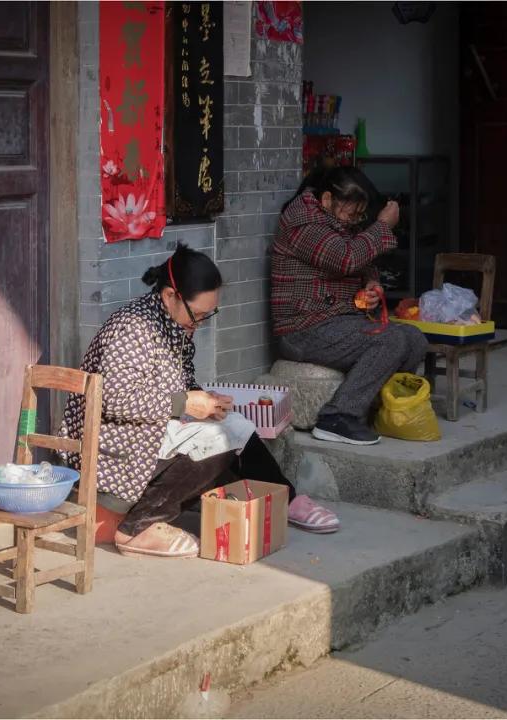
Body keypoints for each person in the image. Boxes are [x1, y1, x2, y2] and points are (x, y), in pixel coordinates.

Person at [61, 244, 340, 559]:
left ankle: (285, 498)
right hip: (112, 436)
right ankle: (139, 526)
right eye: (199, 314)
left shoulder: (174, 324)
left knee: (234, 424)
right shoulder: (131, 328)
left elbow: (181, 383)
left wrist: (204, 399)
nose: (202, 321)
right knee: (217, 438)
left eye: (210, 314)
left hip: (150, 424)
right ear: (170, 296)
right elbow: (114, 401)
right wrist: (185, 404)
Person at [271, 166, 428, 445]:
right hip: (303, 328)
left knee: (414, 338)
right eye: (351, 212)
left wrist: (371, 283)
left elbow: (361, 260)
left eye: (360, 215)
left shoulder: (333, 218)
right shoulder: (303, 222)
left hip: (337, 320)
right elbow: (345, 259)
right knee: (389, 340)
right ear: (327, 198)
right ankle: (338, 418)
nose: (354, 220)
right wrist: (382, 226)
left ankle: (381, 410)